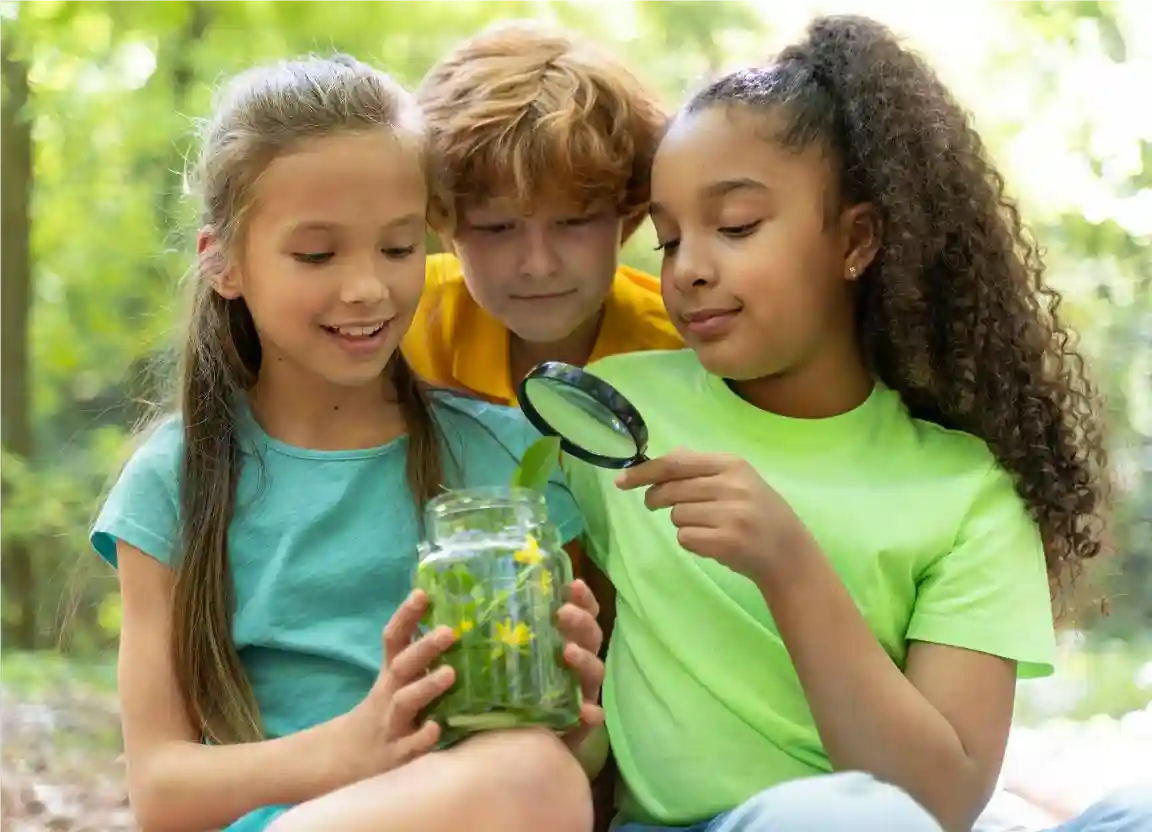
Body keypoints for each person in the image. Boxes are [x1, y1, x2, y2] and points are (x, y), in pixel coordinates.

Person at [560, 15, 1145, 832]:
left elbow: (939, 803)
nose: (688, 267)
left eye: (735, 227)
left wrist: (789, 563)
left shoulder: (967, 494)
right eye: (668, 239)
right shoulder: (614, 417)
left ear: (857, 240)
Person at [92, 55, 606, 832]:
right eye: (317, 254)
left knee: (538, 772)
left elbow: (569, 765)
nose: (366, 287)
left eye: (398, 249)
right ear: (224, 263)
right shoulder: (177, 479)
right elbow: (160, 791)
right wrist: (357, 746)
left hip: (487, 806)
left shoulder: (510, 462)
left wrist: (571, 707)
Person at [402, 21, 683, 407]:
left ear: (629, 210)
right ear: (441, 218)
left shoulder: (687, 355)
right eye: (496, 228)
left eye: (574, 222)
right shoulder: (399, 321)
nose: (538, 265)